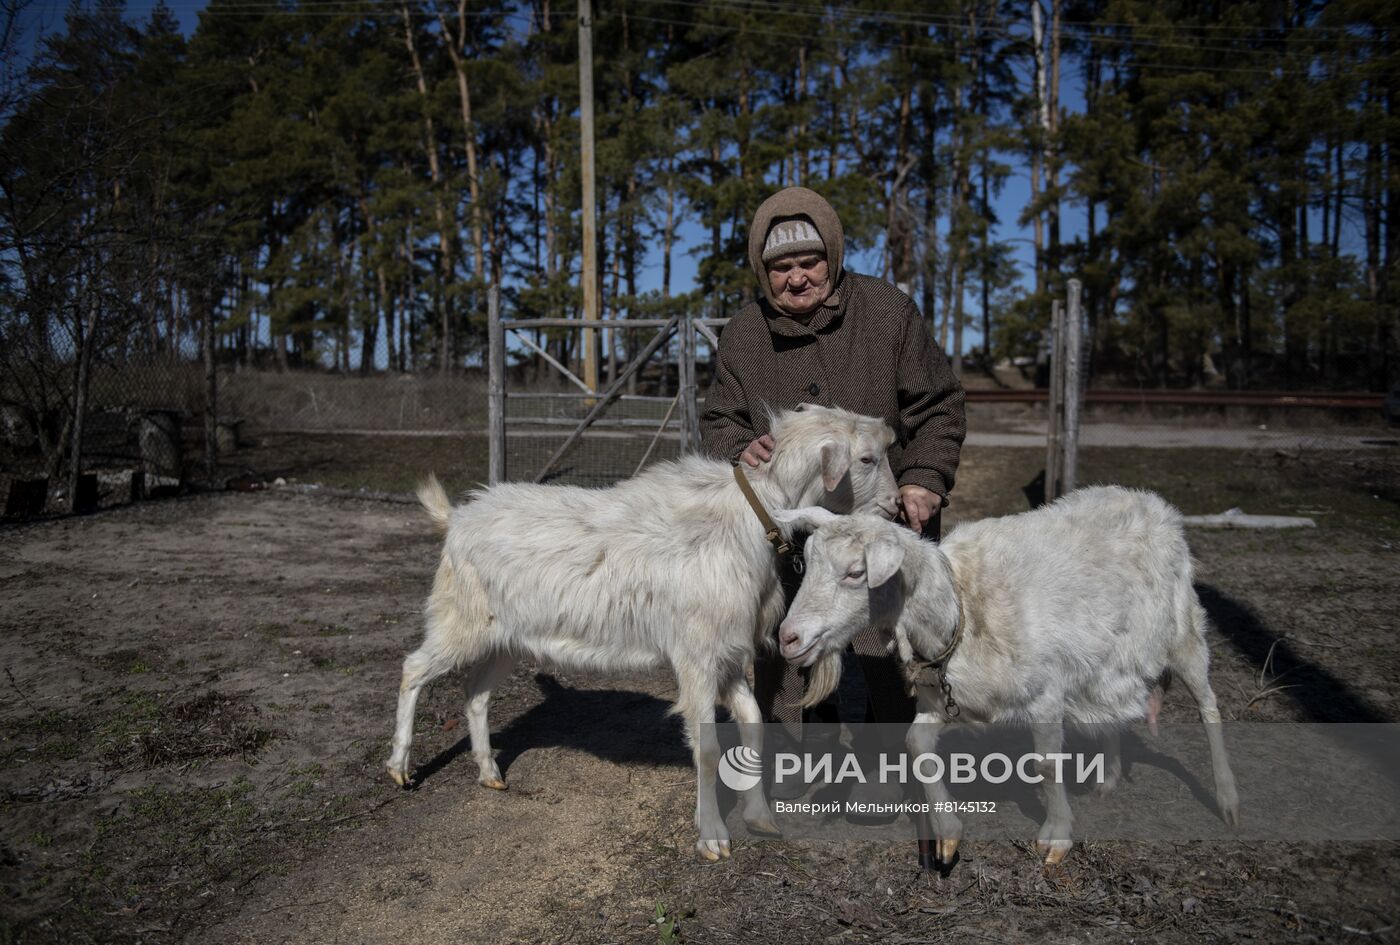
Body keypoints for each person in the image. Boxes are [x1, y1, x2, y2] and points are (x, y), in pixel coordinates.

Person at [699, 185, 966, 741]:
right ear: (761, 270)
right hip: (788, 532)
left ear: (834, 257)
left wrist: (923, 479)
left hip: (880, 512)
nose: (796, 278)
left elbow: (938, 404)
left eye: (809, 262)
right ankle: (798, 749)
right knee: (789, 637)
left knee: (891, 644)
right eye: (781, 267)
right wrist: (737, 446)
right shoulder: (744, 336)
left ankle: (899, 752)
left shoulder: (887, 313)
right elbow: (720, 418)